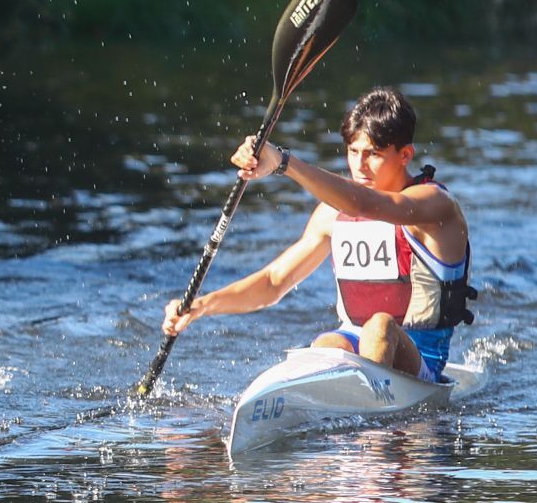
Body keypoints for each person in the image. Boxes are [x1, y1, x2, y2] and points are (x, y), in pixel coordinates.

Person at [162, 86, 476, 382]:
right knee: (328, 343)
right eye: (353, 151)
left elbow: (371, 205)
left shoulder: (435, 206)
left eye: (374, 154)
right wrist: (202, 306)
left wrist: (283, 162)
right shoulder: (332, 214)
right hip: (355, 343)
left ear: (405, 155)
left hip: (421, 359)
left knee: (379, 326)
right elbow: (275, 281)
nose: (360, 165)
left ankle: (373, 425)